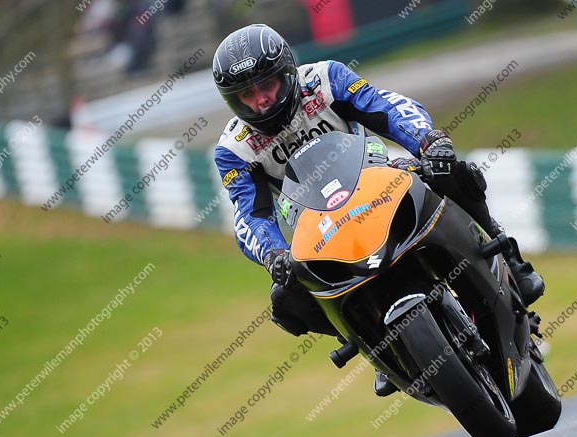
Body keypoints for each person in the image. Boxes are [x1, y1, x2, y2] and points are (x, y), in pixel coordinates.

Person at [212, 24, 544, 395]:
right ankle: (372, 339)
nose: (261, 101)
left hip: (380, 180)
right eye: (246, 95)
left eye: (267, 86)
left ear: (286, 73)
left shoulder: (325, 79)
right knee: (285, 299)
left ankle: (507, 252)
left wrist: (428, 140)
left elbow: (385, 105)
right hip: (319, 227)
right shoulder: (234, 150)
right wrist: (273, 253)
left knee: (450, 169)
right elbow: (249, 215)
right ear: (232, 100)